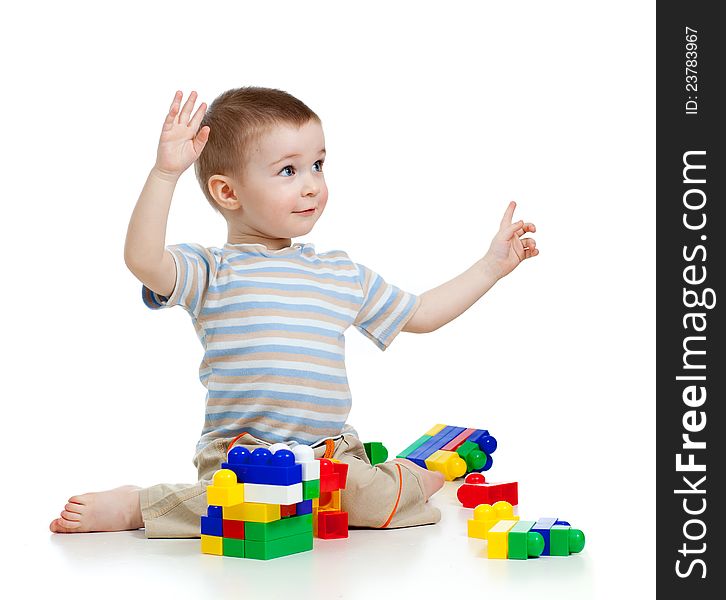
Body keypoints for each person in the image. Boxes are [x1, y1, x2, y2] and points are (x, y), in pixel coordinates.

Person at [49, 87, 538, 537]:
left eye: (319, 165)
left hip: (329, 454)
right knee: (239, 505)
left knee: (370, 505)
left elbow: (423, 313)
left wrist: (491, 267)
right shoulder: (211, 269)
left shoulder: (340, 273)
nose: (312, 186)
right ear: (227, 193)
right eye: (289, 170)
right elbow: (143, 260)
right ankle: (140, 507)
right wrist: (165, 175)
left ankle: (411, 475)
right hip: (241, 454)